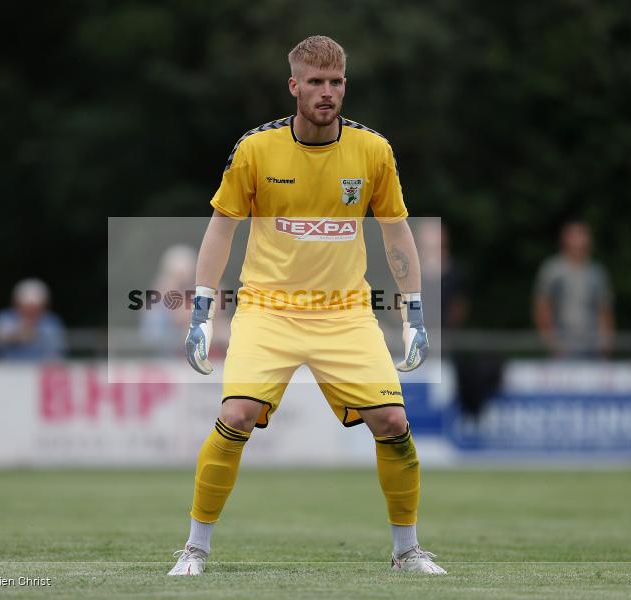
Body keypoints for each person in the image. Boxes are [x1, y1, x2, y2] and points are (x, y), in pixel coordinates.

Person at [168, 36, 445, 576]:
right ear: (294, 85)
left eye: (335, 82)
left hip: (345, 312)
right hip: (267, 309)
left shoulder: (373, 151)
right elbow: (221, 230)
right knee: (236, 414)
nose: (326, 93)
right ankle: (194, 548)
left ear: (345, 85)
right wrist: (202, 311)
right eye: (315, 82)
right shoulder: (255, 149)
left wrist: (413, 311)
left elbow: (396, 234)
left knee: (392, 421)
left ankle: (407, 551)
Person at [533, 221, 614, 358]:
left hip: (592, 347)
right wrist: (551, 343)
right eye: (575, 235)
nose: (580, 240)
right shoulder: (553, 270)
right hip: (563, 346)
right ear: (564, 240)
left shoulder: (596, 272)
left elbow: (604, 310)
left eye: (583, 235)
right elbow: (542, 307)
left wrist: (606, 344)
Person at [0, 278, 66, 361]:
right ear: (17, 303)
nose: (31, 310)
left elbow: (59, 350)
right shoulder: (4, 317)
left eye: (35, 306)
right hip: (7, 369)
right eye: (26, 305)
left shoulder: (51, 321)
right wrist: (19, 334)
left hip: (40, 369)